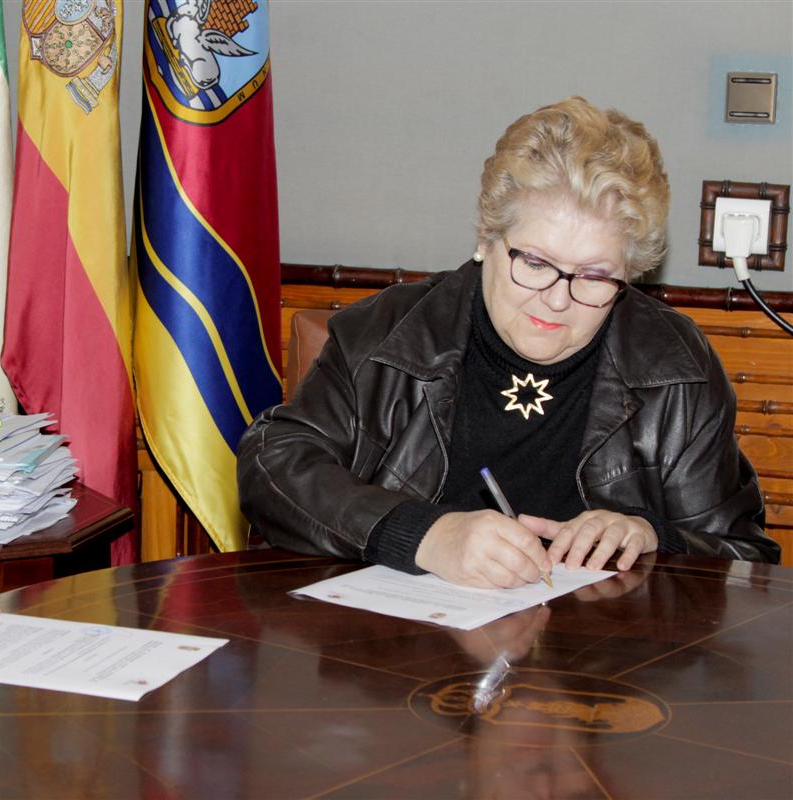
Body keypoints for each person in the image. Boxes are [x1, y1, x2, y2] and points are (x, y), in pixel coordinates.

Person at [238, 97, 778, 590]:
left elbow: (744, 558)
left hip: (597, 678)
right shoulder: (386, 334)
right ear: (486, 238)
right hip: (394, 663)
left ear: (630, 275)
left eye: (593, 276)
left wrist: (653, 534)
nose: (557, 300)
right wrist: (426, 535)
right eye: (536, 263)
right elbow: (272, 467)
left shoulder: (676, 366)